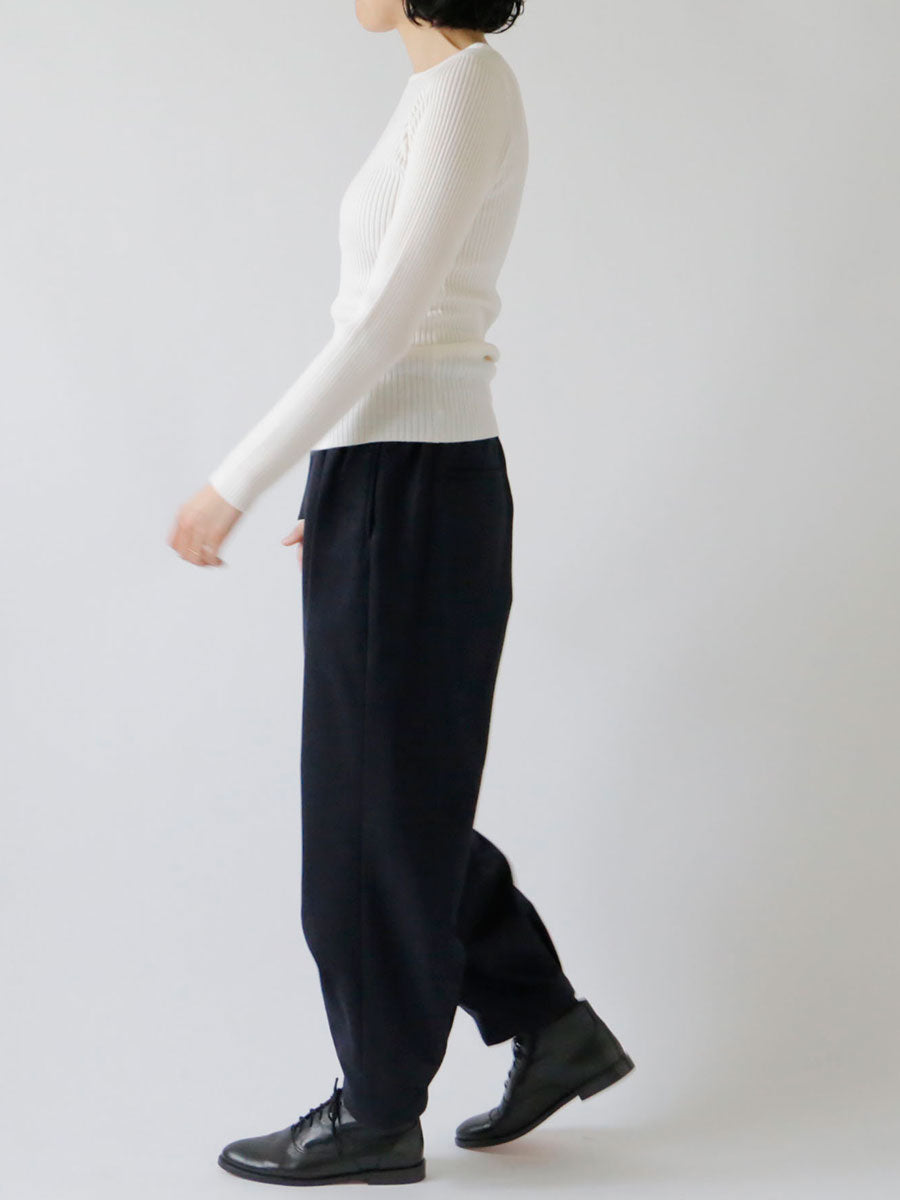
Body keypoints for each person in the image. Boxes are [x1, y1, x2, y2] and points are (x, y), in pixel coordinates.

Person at [168, 1, 634, 1187]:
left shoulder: (469, 87)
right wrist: (339, 479)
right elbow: (395, 325)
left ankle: (378, 1115)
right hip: (393, 477)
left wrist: (234, 481)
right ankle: (550, 1024)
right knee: (389, 801)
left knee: (367, 823)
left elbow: (389, 321)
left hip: (419, 481)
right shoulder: (435, 93)